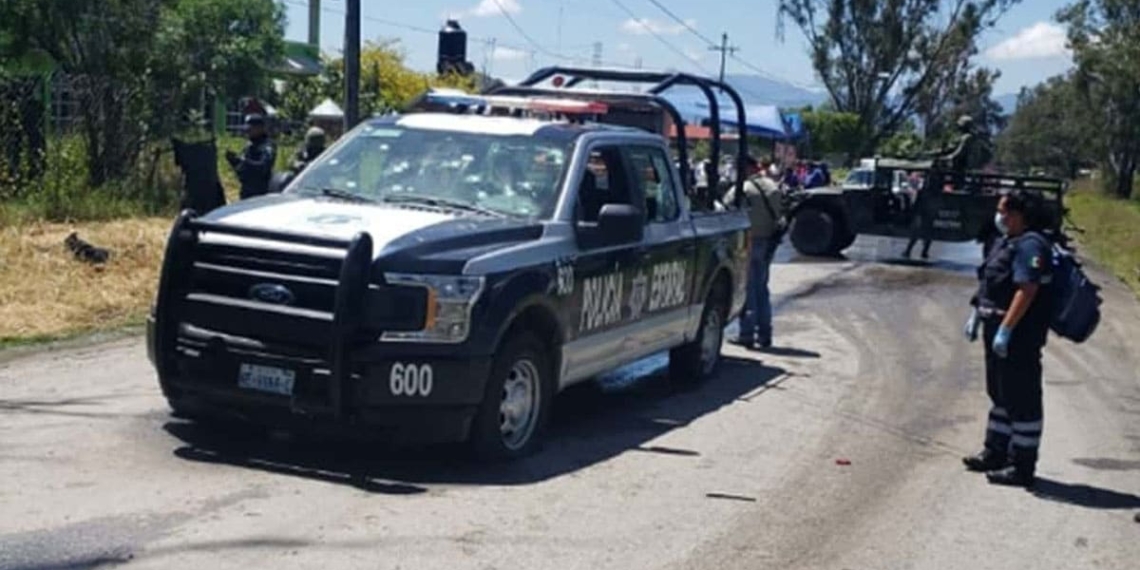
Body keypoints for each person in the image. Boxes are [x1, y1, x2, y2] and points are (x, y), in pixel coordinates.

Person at [962, 189, 1053, 487]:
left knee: (1022, 399)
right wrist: (977, 313)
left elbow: (1027, 289)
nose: (999, 216)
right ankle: (995, 451)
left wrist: (1007, 329)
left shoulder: (1032, 245)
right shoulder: (1006, 242)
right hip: (995, 326)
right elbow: (991, 281)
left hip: (1019, 336)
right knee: (1000, 394)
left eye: (1004, 211)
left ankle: (1022, 465)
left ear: (1018, 215)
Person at [724, 156, 785, 349]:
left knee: (748, 288)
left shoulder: (743, 188)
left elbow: (725, 208)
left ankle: (747, 334)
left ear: (745, 168)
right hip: (768, 242)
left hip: (748, 242)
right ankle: (765, 334)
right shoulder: (772, 186)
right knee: (762, 288)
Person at [225, 114, 277, 200]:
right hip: (246, 190)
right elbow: (241, 170)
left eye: (250, 129)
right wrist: (234, 161)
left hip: (261, 192)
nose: (247, 132)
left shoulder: (267, 146)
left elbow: (263, 167)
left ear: (260, 128)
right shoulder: (249, 145)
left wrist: (244, 162)